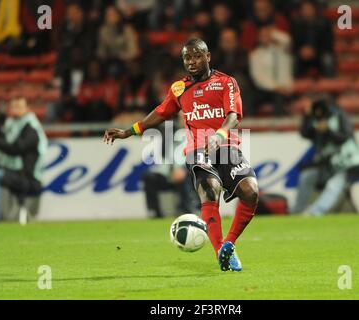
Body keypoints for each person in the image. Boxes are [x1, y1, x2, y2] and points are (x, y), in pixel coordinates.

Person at [104, 38, 259, 272]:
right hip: (197, 148)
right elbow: (160, 113)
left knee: (251, 192)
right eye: (187, 57)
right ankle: (221, 254)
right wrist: (129, 131)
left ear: (208, 57)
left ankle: (229, 243)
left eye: (197, 56)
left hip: (226, 145)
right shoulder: (180, 88)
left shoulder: (226, 82)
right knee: (209, 190)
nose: (192, 62)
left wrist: (219, 134)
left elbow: (234, 114)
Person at [0, 97, 48, 222]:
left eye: (19, 106)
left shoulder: (31, 129)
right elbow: (3, 136)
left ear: (27, 108)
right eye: (13, 106)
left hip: (28, 176)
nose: (15, 110)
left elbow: (16, 149)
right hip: (14, 172)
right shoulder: (12, 125)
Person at [291, 96, 359, 216]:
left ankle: (316, 212)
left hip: (347, 164)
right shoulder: (317, 120)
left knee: (334, 184)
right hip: (329, 166)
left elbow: (345, 138)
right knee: (307, 176)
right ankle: (297, 212)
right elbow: (305, 133)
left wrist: (328, 130)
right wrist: (306, 115)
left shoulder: (339, 116)